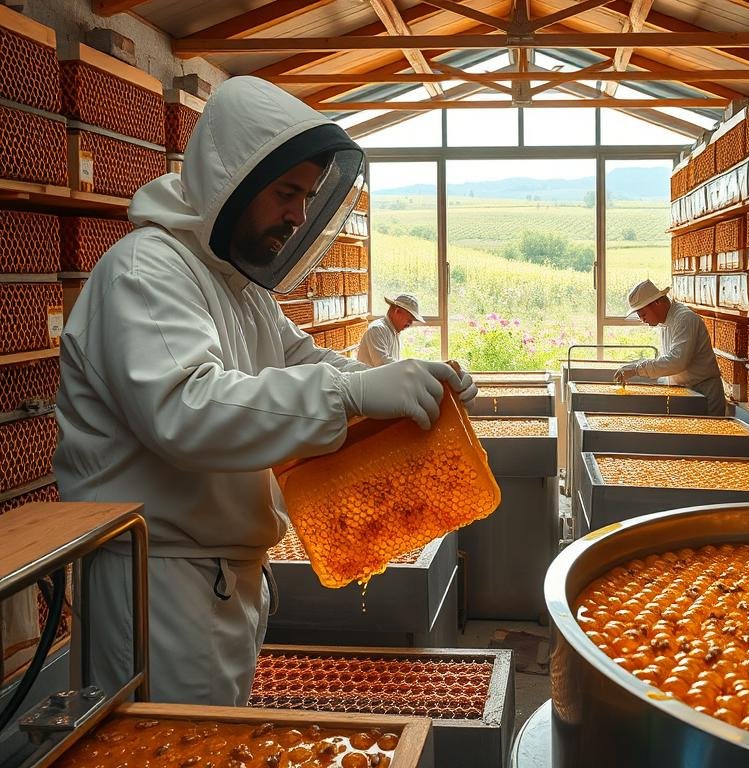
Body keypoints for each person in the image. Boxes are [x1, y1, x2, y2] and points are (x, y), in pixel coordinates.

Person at [53, 76, 476, 707]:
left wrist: (411, 379)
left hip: (222, 574)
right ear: (234, 185)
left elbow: (307, 360)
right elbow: (185, 407)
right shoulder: (147, 270)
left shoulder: (238, 287)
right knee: (181, 747)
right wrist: (354, 397)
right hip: (161, 581)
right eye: (286, 193)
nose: (298, 215)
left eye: (306, 196)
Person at [612, 279, 726, 416]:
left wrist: (637, 369)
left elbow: (677, 362)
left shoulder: (684, 319)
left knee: (705, 436)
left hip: (703, 392)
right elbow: (666, 361)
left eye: (643, 314)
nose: (643, 320)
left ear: (657, 302)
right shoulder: (665, 321)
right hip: (685, 392)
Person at [356, 293, 423, 366]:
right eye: (410, 318)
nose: (410, 323)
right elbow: (383, 364)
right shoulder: (377, 330)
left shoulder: (392, 331)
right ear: (397, 311)